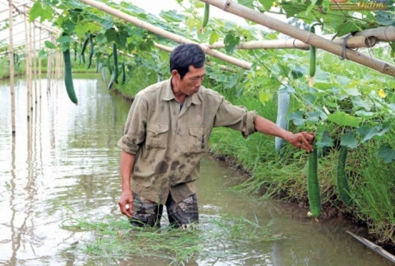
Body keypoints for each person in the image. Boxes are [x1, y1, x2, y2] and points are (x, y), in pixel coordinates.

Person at [117, 43, 314, 228]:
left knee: (189, 242)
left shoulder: (209, 101)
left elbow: (249, 120)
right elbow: (129, 146)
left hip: (182, 187)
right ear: (176, 75)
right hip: (147, 186)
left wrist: (288, 135)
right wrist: (126, 189)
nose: (198, 84)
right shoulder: (147, 100)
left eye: (202, 77)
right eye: (194, 78)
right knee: (141, 241)